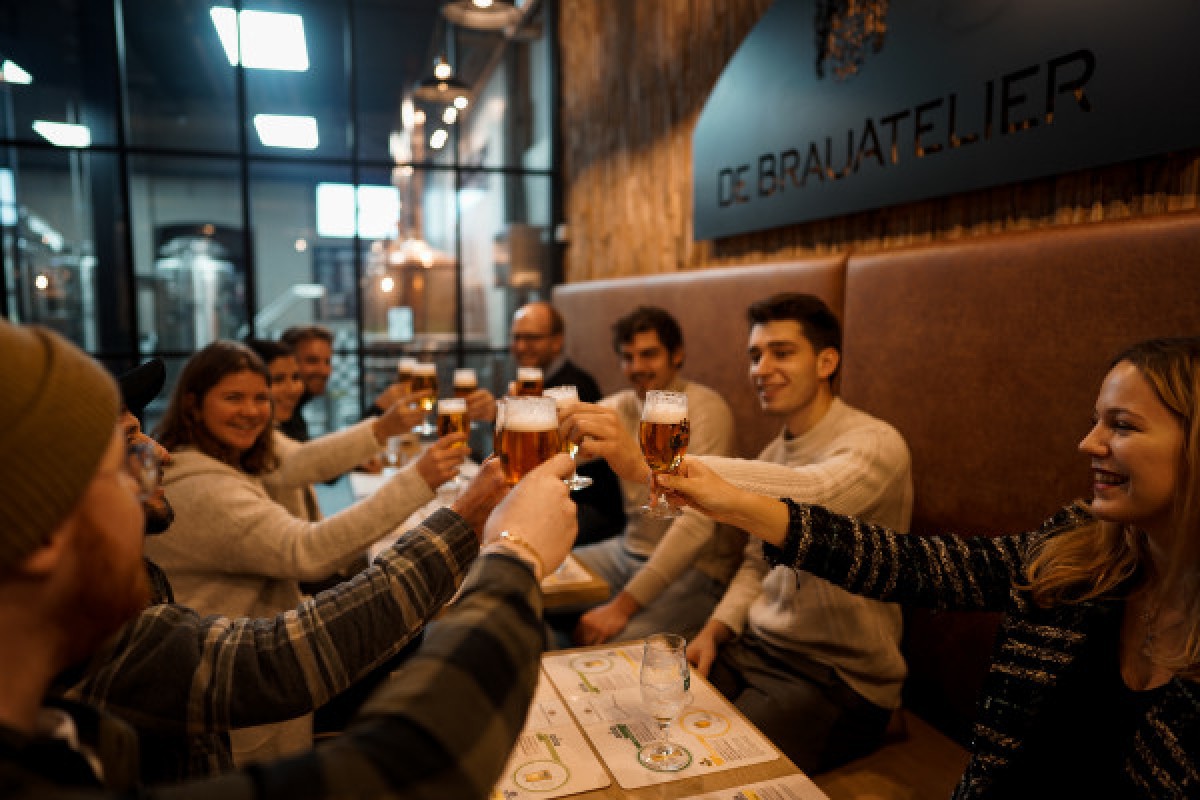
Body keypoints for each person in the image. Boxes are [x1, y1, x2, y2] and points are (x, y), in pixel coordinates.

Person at [0, 317, 580, 799]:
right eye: (123, 446)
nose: (157, 453)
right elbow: (412, 761)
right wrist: (514, 555)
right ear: (46, 529)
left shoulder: (81, 706)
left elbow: (302, 464)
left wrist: (463, 508)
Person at [659, 335, 1200, 797]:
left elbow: (828, 494)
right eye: (1095, 422)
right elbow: (916, 565)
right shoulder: (1080, 550)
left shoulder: (871, 440)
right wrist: (733, 502)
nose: (1089, 443)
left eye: (1122, 426)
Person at [563, 294, 913, 771]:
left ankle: (878, 721)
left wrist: (655, 464)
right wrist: (714, 629)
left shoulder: (875, 443)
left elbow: (815, 496)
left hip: (836, 676)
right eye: (755, 355)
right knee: (630, 722)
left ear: (827, 361)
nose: (761, 368)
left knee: (702, 766)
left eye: (782, 352)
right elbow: (756, 563)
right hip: (755, 649)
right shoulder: (772, 455)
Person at [144, 339, 467, 764]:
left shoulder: (228, 453)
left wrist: (382, 429)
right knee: (413, 634)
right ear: (193, 404)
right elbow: (307, 551)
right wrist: (419, 481)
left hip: (260, 657)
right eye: (233, 398)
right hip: (244, 693)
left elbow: (303, 460)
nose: (251, 409)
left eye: (261, 397)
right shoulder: (202, 486)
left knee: (408, 629)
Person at [550, 305, 739, 646]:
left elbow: (698, 524)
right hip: (626, 553)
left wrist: (622, 607)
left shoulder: (705, 409)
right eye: (628, 357)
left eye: (649, 354)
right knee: (525, 586)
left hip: (695, 569)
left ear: (677, 354)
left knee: (613, 650)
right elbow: (562, 454)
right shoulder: (619, 406)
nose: (637, 367)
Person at [278, 324, 334, 442]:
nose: (324, 371)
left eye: (327, 362)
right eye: (312, 361)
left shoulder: (295, 412)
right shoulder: (280, 414)